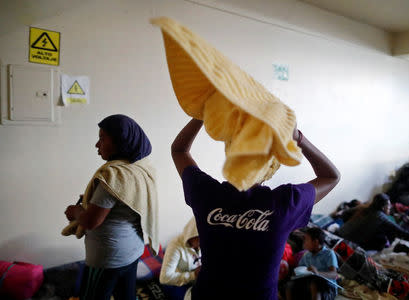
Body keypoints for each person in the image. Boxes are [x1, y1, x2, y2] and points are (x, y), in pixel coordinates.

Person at [171, 118, 340, 300]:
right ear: (272, 164)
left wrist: (201, 114)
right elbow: (331, 177)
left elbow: (179, 150)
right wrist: (297, 137)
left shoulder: (207, 193)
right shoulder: (285, 202)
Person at [64, 114, 158, 300]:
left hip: (108, 258)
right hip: (133, 250)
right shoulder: (140, 168)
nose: (97, 145)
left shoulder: (113, 176)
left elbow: (91, 221)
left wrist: (75, 211)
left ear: (120, 142)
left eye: (102, 138)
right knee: (126, 296)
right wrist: (93, 202)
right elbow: (128, 202)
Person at [337, 193, 409, 251]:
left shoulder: (363, 207)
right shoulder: (380, 217)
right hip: (349, 243)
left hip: (339, 234)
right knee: (383, 237)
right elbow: (402, 232)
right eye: (388, 207)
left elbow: (344, 213)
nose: (390, 208)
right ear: (383, 207)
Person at [284, 227, 338, 300]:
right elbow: (298, 269)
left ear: (315, 242)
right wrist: (296, 272)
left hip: (327, 289)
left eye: (306, 240)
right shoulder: (307, 255)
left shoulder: (329, 253)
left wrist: (318, 273)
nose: (304, 242)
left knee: (315, 283)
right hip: (309, 285)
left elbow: (334, 274)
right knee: (290, 284)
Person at [160, 218, 202, 300]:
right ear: (192, 234)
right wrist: (193, 275)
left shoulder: (202, 244)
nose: (202, 243)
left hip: (193, 280)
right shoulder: (175, 245)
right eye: (199, 239)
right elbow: (164, 278)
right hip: (175, 284)